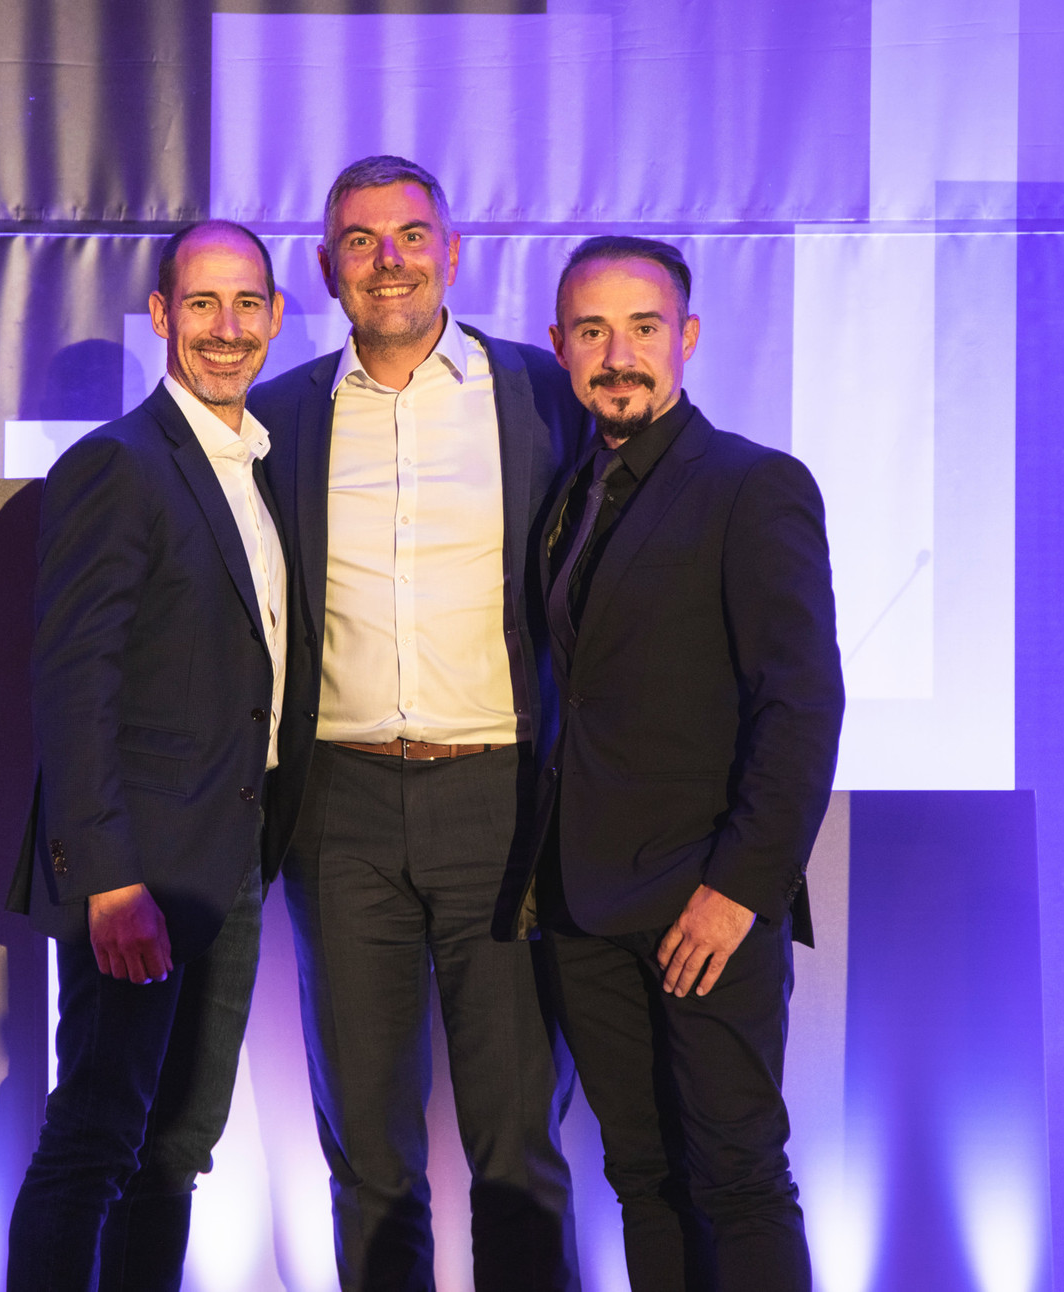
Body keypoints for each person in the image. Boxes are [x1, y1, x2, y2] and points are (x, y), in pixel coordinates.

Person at [248, 155, 587, 1292]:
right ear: (326, 267)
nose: (387, 260)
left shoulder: (542, 394)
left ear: (453, 251)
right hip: (339, 812)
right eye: (360, 240)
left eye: (409, 236)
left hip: (503, 804)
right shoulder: (281, 418)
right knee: (368, 1154)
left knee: (519, 1145)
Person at [499, 236, 844, 1292]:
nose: (619, 355)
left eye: (643, 328)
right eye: (593, 331)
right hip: (585, 905)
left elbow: (802, 704)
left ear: (686, 336)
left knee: (737, 1176)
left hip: (705, 899)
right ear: (560, 346)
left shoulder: (753, 485)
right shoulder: (572, 492)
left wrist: (740, 891)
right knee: (642, 1177)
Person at [5, 219, 289, 1292]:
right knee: (95, 1135)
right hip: (141, 873)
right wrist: (109, 878)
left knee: (177, 1147)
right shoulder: (116, 464)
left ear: (275, 316)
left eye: (247, 303)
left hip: (231, 859)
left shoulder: (258, 469)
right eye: (202, 303)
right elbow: (74, 683)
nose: (226, 327)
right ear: (164, 315)